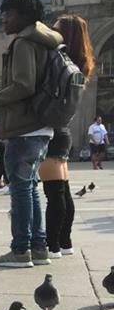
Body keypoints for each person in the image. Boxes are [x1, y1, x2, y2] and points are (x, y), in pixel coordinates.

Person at [0, 0, 63, 269]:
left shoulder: (24, 42)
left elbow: (24, 85)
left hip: (24, 126)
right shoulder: (45, 42)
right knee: (30, 188)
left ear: (25, 17)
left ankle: (20, 250)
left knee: (21, 190)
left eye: (9, 14)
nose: (3, 19)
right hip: (41, 126)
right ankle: (39, 248)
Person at [39, 14, 95, 258]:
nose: (52, 32)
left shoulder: (60, 62)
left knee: (54, 194)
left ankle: (53, 245)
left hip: (52, 131)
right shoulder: (78, 65)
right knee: (62, 191)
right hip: (63, 131)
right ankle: (65, 242)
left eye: (57, 29)